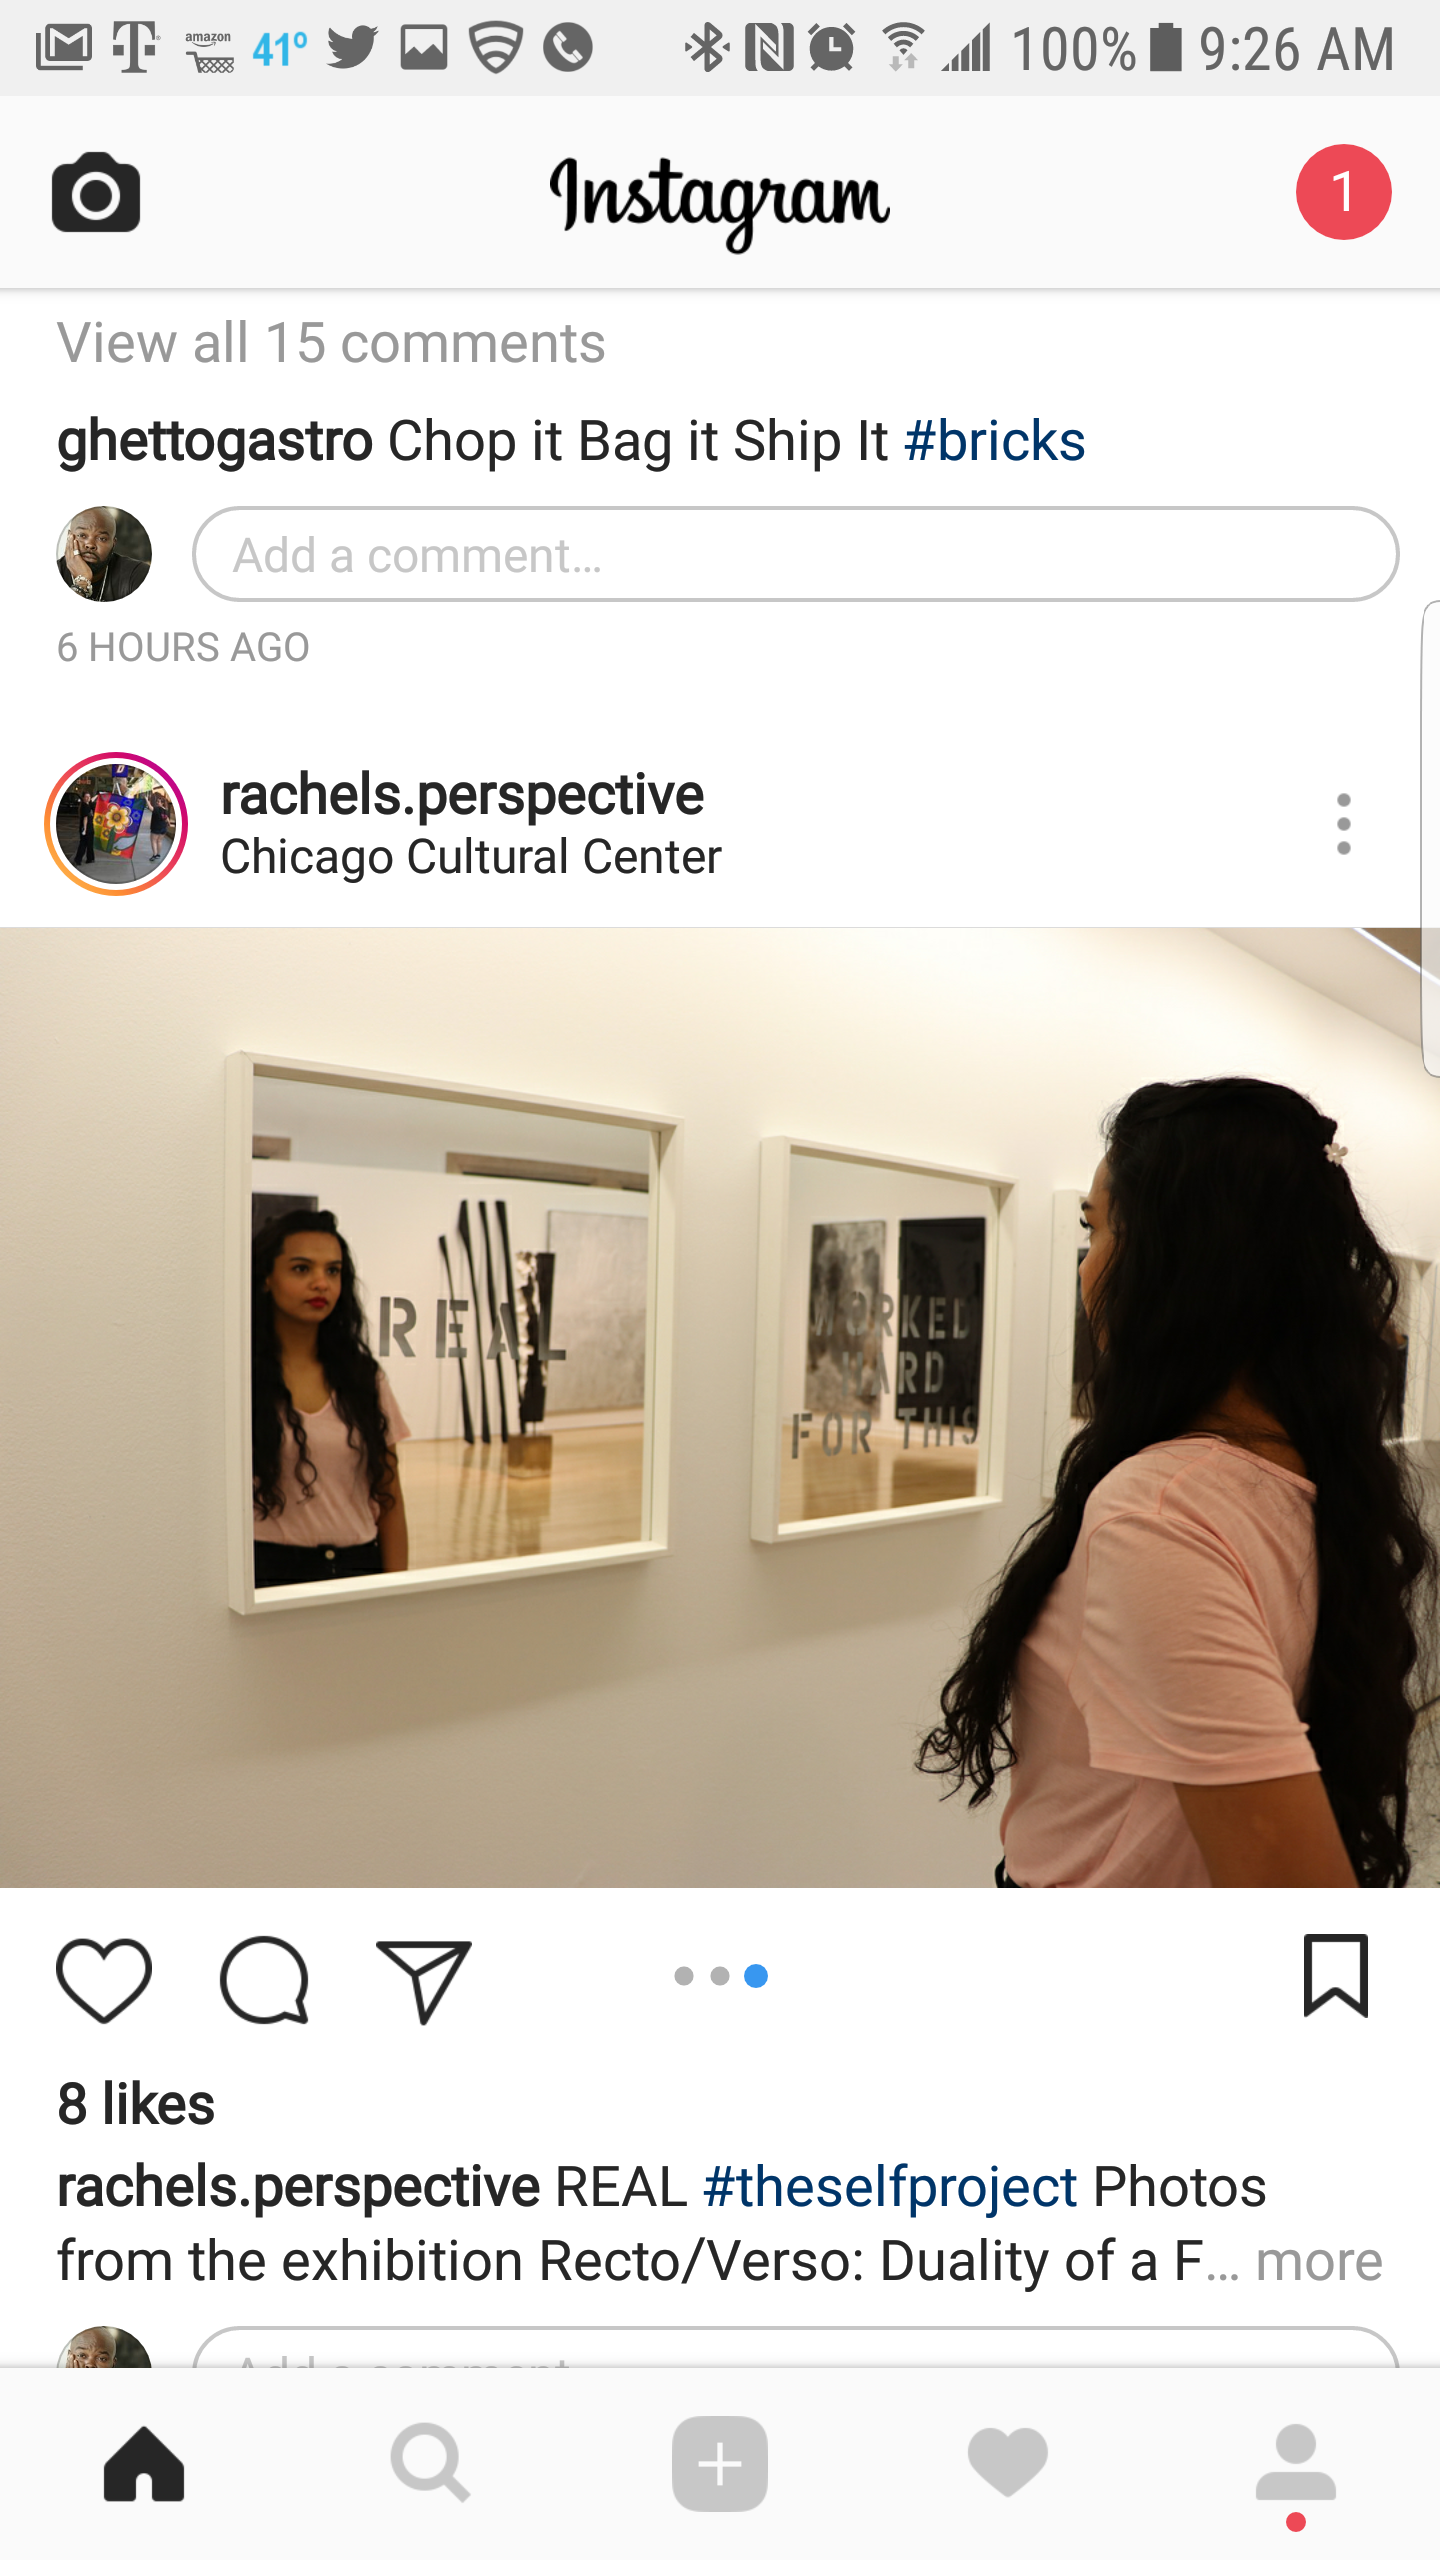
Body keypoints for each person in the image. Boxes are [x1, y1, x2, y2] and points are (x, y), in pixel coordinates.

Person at [919, 1078, 1435, 1888]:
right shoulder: (1301, 1472)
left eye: (1097, 1231)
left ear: (1176, 1264)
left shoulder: (1160, 1509)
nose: (1087, 1270)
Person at [252, 1208, 411, 1588]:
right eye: (302, 1269)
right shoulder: (241, 1378)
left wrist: (397, 1591)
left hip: (359, 1566)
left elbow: (390, 1497)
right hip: (270, 1571)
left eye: (333, 1271)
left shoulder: (363, 1377)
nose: (321, 1283)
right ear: (266, 1279)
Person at [56, 505, 150, 603]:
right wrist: (82, 581)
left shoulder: (137, 574)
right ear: (69, 537)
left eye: (102, 538)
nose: (90, 545)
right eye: (82, 535)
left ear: (113, 544)